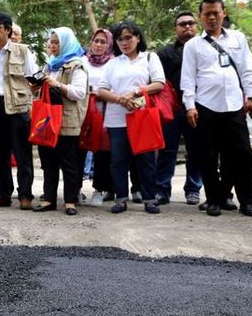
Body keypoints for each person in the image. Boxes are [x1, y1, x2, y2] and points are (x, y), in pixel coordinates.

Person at [181, 0, 252, 217]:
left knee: (243, 155)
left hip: (235, 106)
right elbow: (188, 78)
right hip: (205, 106)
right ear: (200, 17)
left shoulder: (238, 38)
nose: (212, 17)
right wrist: (189, 106)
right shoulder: (193, 45)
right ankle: (213, 200)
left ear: (224, 13)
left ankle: (247, 201)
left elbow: (247, 69)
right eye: (207, 14)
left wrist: (251, 96)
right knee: (208, 155)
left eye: (216, 12)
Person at [97, 21, 166, 214]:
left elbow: (160, 83)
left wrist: (135, 93)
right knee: (118, 160)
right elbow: (101, 90)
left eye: (128, 37)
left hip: (141, 116)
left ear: (138, 38)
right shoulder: (112, 63)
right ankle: (120, 198)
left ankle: (149, 199)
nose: (124, 42)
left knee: (145, 159)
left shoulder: (149, 58)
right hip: (116, 118)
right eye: (120, 39)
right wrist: (120, 99)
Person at [0, 11, 38, 209]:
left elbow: (33, 80)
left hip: (18, 107)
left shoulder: (23, 51)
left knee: (22, 154)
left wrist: (29, 107)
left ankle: (25, 195)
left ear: (8, 30)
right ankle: (2, 194)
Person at [34, 27, 88, 215]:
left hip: (66, 121)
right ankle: (49, 199)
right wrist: (35, 86)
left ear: (66, 43)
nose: (53, 45)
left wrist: (58, 84)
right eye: (51, 42)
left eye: (57, 42)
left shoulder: (76, 65)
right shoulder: (49, 64)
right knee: (48, 162)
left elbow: (79, 93)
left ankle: (70, 201)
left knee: (69, 164)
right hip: (47, 121)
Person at [156, 12, 203, 206]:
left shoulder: (205, 49)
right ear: (175, 29)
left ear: (196, 26)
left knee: (196, 150)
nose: (187, 27)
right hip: (172, 110)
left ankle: (193, 189)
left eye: (191, 23)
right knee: (167, 151)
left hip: (198, 108)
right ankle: (162, 190)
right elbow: (157, 81)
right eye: (182, 24)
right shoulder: (165, 53)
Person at [83, 28, 115, 207]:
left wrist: (100, 93)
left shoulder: (113, 63)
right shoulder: (81, 61)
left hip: (106, 112)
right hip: (84, 112)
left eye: (103, 42)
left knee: (103, 153)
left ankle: (100, 189)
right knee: (80, 149)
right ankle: (76, 189)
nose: (99, 45)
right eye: (96, 41)